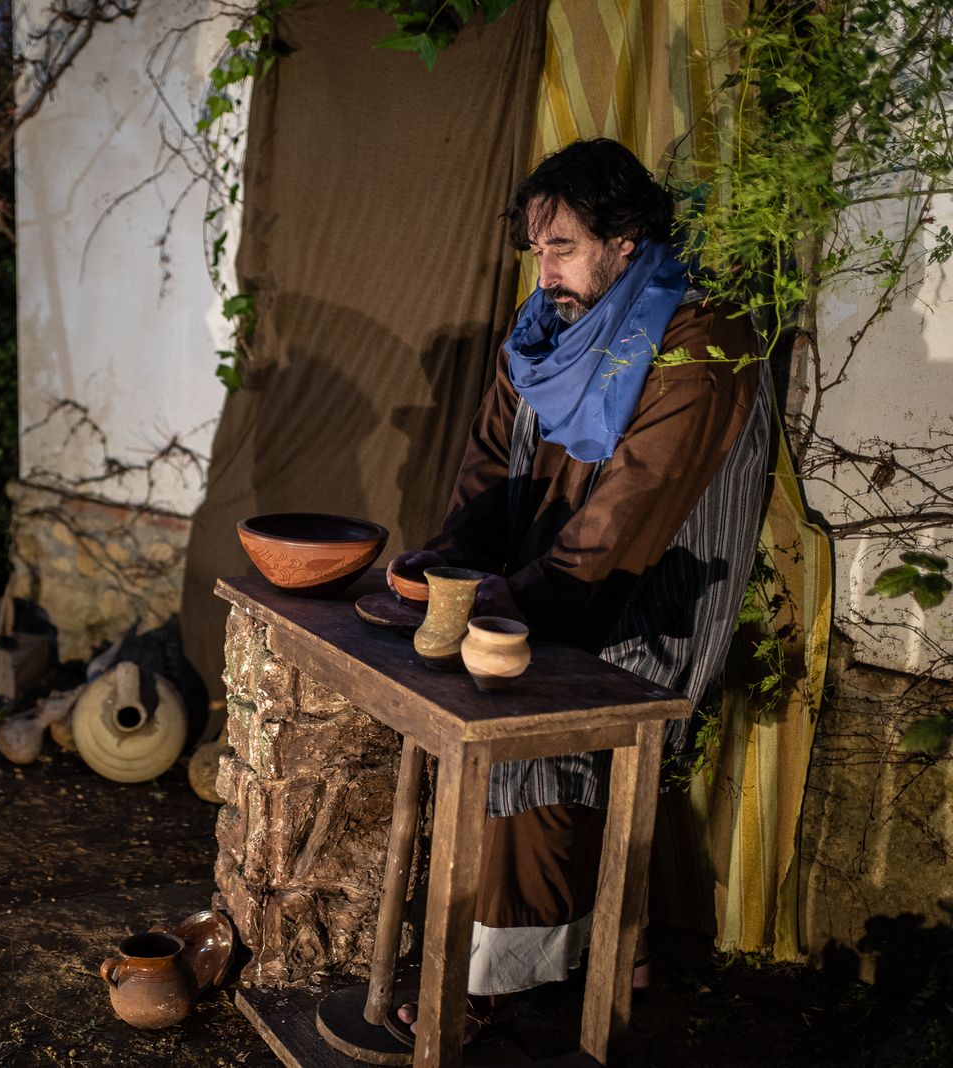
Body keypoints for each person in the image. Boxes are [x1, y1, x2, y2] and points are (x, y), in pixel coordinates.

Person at [388, 139, 770, 1042]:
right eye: (537, 248)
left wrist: (513, 609)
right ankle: (606, 944)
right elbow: (488, 467)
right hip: (539, 578)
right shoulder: (542, 328)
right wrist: (446, 569)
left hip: (647, 594)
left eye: (562, 246)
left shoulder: (699, 338)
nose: (545, 267)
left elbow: (635, 507)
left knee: (522, 728)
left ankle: (491, 981)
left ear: (627, 240)